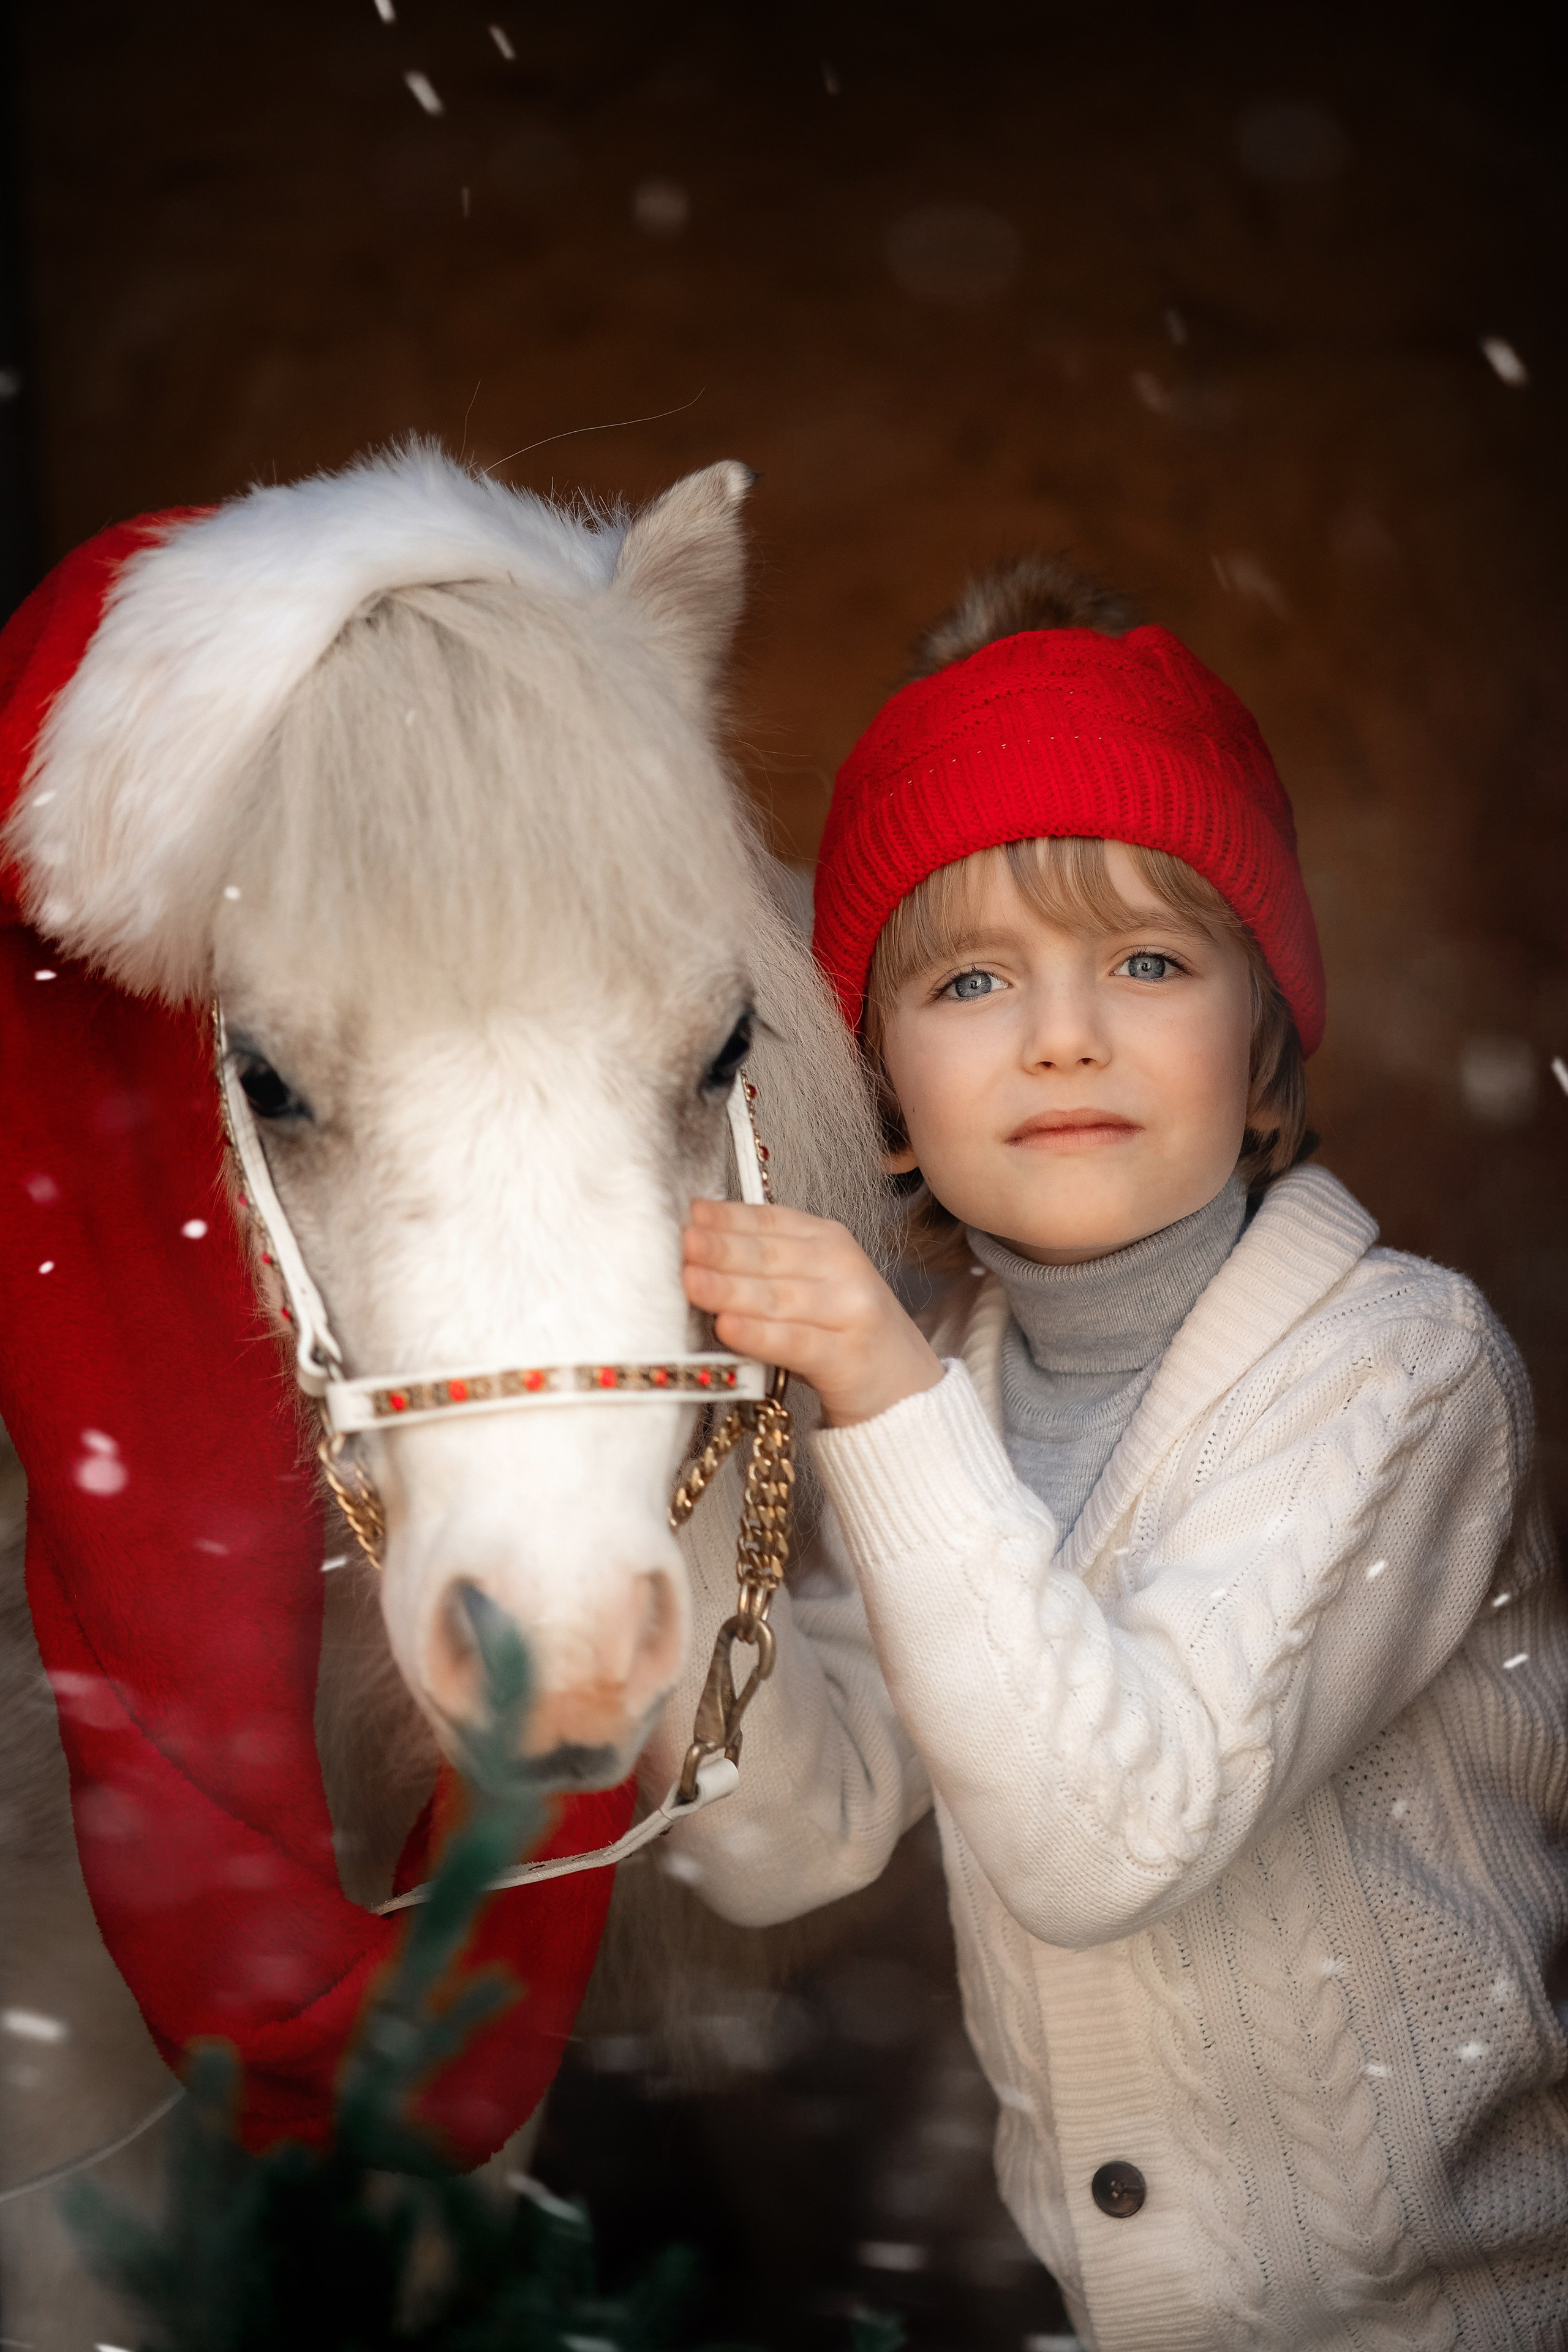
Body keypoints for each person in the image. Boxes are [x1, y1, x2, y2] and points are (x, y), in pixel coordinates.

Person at [650, 560, 1568, 2350]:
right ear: (884, 1090)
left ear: (1261, 1038)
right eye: (972, 977)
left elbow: (1105, 1833)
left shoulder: (1397, 1371)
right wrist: (666, 1494)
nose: (1064, 1031)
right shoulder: (957, 1401)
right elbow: (792, 1837)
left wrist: (874, 1384)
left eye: (1149, 959)